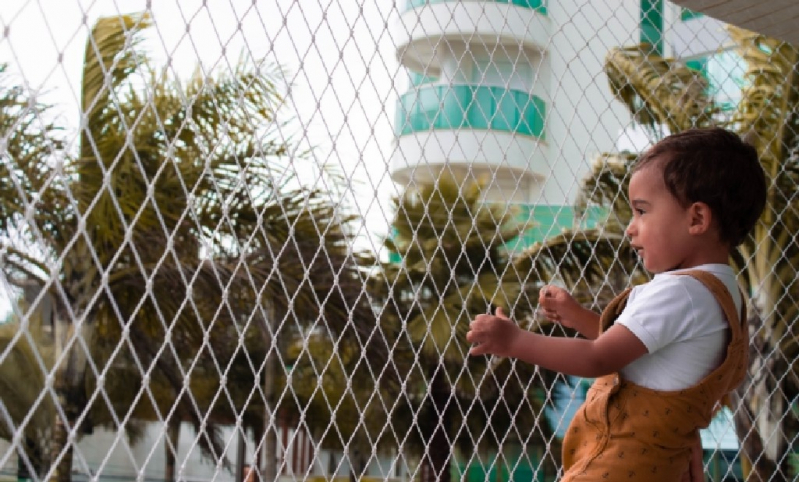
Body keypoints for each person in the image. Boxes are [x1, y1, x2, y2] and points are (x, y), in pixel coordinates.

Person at [466, 127, 767, 481]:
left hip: (620, 462)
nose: (630, 228)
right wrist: (577, 317)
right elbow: (643, 347)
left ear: (697, 219)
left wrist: (515, 341)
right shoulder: (723, 293)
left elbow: (599, 357)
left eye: (642, 211)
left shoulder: (680, 292)